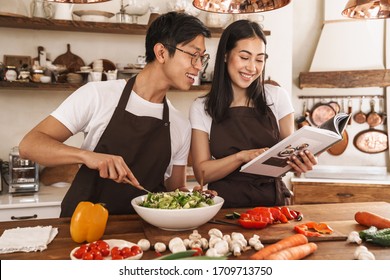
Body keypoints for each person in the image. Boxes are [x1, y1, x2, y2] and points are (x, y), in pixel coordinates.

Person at [18, 12, 211, 217]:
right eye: (193, 55)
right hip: (84, 229)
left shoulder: (179, 123)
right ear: (162, 53)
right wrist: (87, 157)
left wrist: (193, 197)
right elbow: (29, 145)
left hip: (143, 234)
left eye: (202, 58)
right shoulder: (98, 95)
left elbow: (174, 190)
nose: (199, 66)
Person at [189, 19, 317, 208]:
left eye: (259, 59)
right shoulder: (202, 107)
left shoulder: (277, 96)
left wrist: (300, 162)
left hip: (273, 206)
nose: (252, 68)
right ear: (225, 55)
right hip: (224, 207)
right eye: (244, 57)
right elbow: (202, 173)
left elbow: (289, 155)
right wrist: (241, 157)